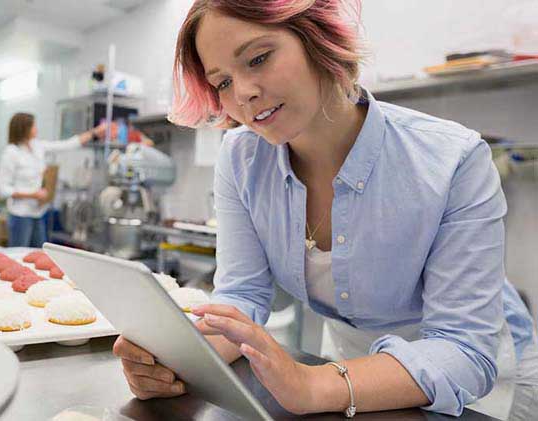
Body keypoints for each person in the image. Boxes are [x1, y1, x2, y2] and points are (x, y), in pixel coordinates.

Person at [112, 0, 538, 419]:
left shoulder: (452, 159)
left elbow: (463, 349)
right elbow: (243, 295)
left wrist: (314, 385)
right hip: (354, 375)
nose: (243, 93)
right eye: (221, 82)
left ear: (317, 36)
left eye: (258, 58)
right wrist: (180, 359)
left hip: (480, 386)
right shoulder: (242, 158)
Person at [0, 113, 111, 248]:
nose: (36, 129)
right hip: (21, 214)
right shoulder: (11, 153)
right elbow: (0, 189)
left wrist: (94, 133)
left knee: (39, 253)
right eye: (33, 126)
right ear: (23, 128)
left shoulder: (37, 147)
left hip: (38, 212)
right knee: (18, 254)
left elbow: (67, 144)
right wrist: (32, 194)